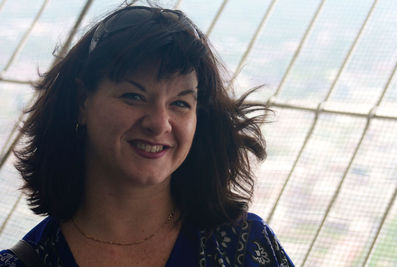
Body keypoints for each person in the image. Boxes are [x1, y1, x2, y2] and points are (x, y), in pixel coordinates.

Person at [0, 3, 294, 266]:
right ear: (82, 102)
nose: (159, 123)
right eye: (134, 96)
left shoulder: (245, 249)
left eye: (180, 103)